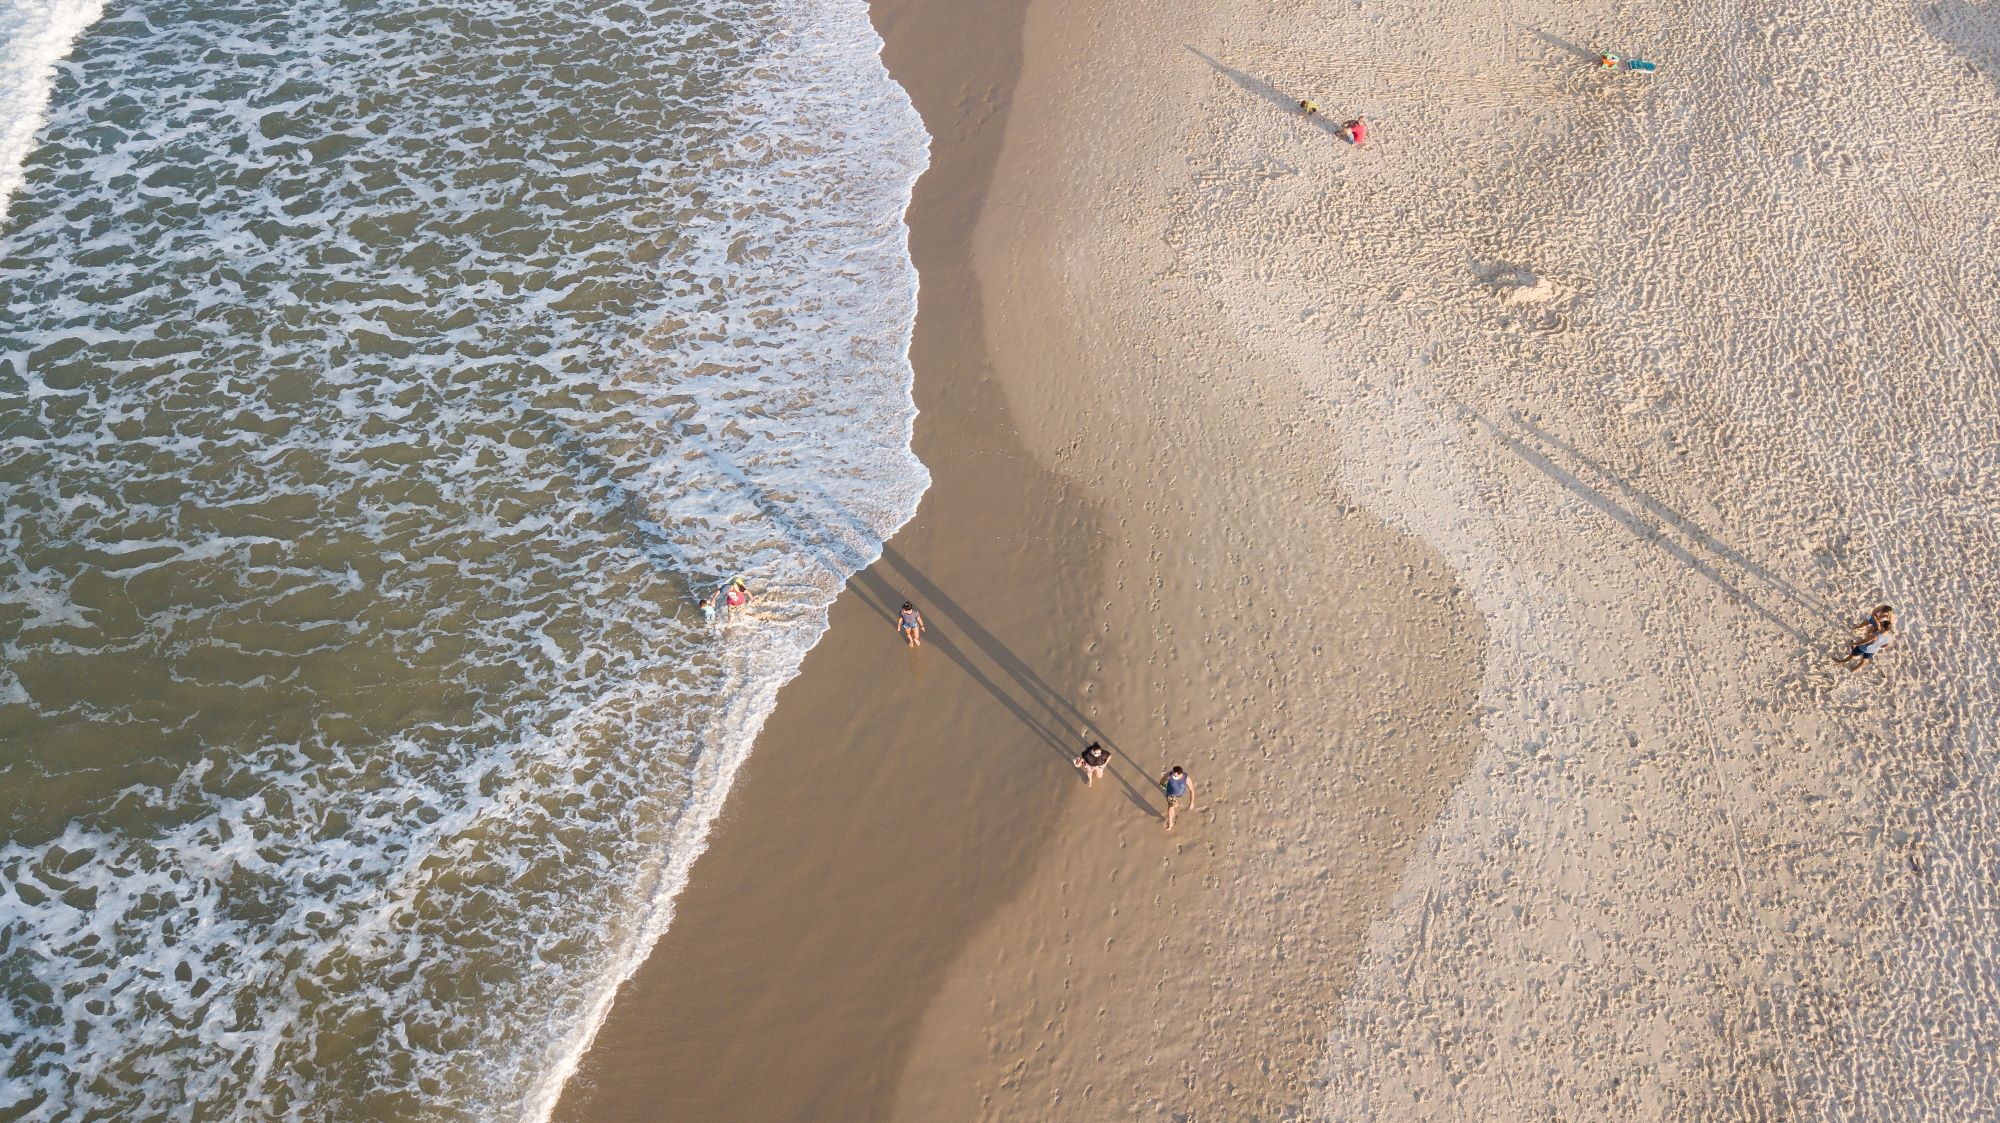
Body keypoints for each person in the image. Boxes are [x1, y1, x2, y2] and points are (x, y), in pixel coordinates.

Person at [1835, 604, 1896, 672]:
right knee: (1864, 660)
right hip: (1873, 650)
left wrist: (1853, 643)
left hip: (1864, 648)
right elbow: (1885, 645)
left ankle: (1841, 661)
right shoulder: (1889, 637)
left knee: (1852, 655)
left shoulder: (1875, 635)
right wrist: (1877, 645)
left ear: (1882, 627)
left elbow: (1863, 642)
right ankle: (1854, 670)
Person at [1158, 766, 1196, 831]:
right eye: (1172, 773)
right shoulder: (1169, 775)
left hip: (1180, 794)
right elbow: (1161, 783)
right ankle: (1170, 824)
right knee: (1170, 808)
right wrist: (1164, 787)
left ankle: (1175, 803)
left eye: (1174, 774)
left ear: (1179, 774)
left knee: (1174, 804)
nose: (1173, 775)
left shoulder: (1186, 778)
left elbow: (1192, 790)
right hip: (1170, 794)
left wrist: (1191, 802)